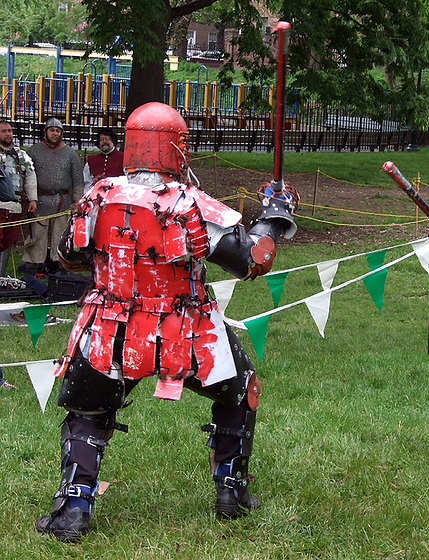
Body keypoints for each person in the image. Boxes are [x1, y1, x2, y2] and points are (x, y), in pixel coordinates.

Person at [35, 102, 298, 542]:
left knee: (88, 411)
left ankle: (73, 510)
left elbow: (69, 255)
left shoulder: (99, 196)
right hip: (186, 331)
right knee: (241, 389)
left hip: (109, 327)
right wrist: (272, 215)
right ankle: (230, 490)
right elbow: (254, 260)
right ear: (176, 147)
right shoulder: (192, 204)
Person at [24, 118, 83, 277]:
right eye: (52, 130)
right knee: (37, 237)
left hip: (63, 202)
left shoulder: (70, 153)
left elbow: (77, 181)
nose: (55, 133)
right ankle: (31, 270)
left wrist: (77, 202)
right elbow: (27, 176)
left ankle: (61, 270)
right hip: (40, 201)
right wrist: (31, 198)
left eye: (58, 131)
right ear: (46, 132)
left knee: (61, 237)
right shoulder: (34, 151)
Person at [0, 120, 38, 277]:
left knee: (7, 242)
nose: (8, 134)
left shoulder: (21, 155)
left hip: (15, 206)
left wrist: (33, 199)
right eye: (3, 131)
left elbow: (30, 177)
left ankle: (1, 278)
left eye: (9, 130)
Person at [82, 127, 124, 194]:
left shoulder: (123, 158)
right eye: (101, 139)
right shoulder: (92, 161)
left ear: (113, 141)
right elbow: (87, 183)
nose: (104, 141)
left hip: (117, 195)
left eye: (107, 139)